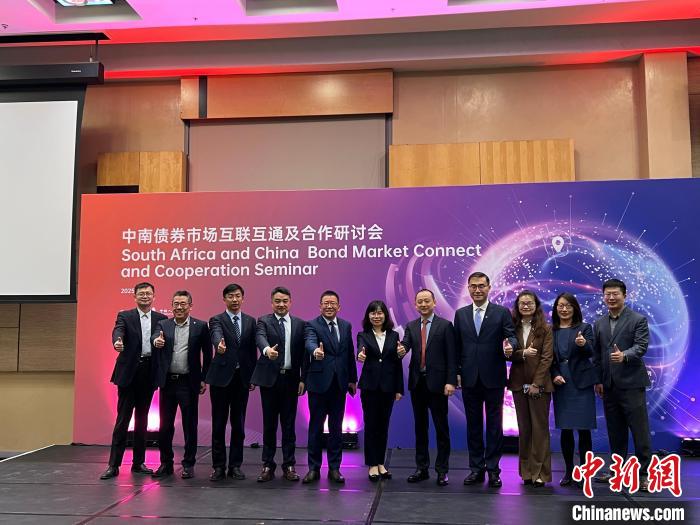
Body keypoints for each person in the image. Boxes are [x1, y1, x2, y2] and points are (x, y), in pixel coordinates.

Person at [454, 271, 517, 488]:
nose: (477, 290)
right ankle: (476, 469)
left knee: (494, 425)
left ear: (489, 288)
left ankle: (493, 470)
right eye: (473, 286)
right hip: (469, 378)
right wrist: (457, 373)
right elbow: (457, 346)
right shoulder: (461, 314)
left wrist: (510, 346)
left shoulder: (501, 312)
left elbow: (512, 336)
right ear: (468, 289)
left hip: (494, 377)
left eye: (481, 286)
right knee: (473, 426)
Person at [100, 282, 167, 480]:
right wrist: (117, 341)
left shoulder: (161, 319)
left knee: (142, 419)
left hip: (148, 373)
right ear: (135, 296)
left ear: (154, 296)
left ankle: (138, 463)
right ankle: (113, 465)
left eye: (148, 293)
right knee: (123, 420)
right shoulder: (125, 316)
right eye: (141, 293)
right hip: (128, 373)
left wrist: (159, 342)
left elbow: (159, 337)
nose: (145, 296)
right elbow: (118, 331)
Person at [592, 278, 651, 491]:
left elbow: (641, 346)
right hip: (609, 386)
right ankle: (617, 471)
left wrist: (624, 355)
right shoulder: (599, 323)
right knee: (615, 431)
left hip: (632, 384)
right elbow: (597, 355)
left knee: (640, 432)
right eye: (607, 294)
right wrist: (598, 380)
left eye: (615, 294)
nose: (611, 297)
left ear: (625, 295)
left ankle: (644, 474)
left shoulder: (638, 319)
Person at [151, 291, 212, 479]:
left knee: (189, 425)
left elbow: (207, 354)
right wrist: (156, 341)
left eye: (183, 304)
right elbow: (155, 337)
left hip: (189, 382)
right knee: (165, 425)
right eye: (176, 303)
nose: (179, 307)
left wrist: (204, 378)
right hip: (168, 382)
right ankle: (166, 463)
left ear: (190, 306)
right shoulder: (164, 324)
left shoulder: (200, 326)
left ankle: (188, 464)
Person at [400, 289, 457, 487]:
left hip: (439, 385)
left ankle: (442, 470)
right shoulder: (411, 326)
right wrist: (400, 349)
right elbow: (405, 345)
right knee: (420, 428)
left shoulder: (445, 326)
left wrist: (451, 381)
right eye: (420, 302)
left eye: (427, 301)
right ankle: (421, 468)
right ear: (415, 305)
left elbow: (452, 356)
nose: (423, 305)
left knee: (441, 429)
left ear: (434, 303)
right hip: (418, 384)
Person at [251, 286, 307, 482]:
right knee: (269, 424)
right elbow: (260, 338)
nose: (281, 304)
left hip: (291, 380)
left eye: (284, 301)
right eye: (277, 301)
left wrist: (303, 378)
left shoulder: (300, 324)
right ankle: (268, 465)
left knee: (289, 425)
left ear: (290, 302)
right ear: (271, 303)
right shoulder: (264, 321)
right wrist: (267, 350)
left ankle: (289, 465)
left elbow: (304, 355)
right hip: (270, 381)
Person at [302, 290, 358, 484]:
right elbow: (309, 342)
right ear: (320, 306)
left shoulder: (345, 325)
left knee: (336, 428)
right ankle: (313, 468)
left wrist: (352, 379)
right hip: (318, 384)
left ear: (339, 306)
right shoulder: (311, 325)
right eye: (325, 303)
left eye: (333, 303)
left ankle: (334, 468)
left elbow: (349, 353)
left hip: (339, 384)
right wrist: (315, 351)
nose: (329, 306)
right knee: (316, 428)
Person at [205, 283, 257, 482]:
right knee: (218, 424)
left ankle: (235, 465)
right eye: (230, 296)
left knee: (239, 424)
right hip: (220, 379)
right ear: (224, 299)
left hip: (241, 379)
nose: (234, 300)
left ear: (242, 298)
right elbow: (216, 334)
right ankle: (218, 466)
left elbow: (251, 352)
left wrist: (252, 376)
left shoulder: (251, 321)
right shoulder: (216, 320)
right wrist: (218, 344)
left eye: (237, 296)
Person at [507, 290, 554, 487]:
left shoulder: (546, 328)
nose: (526, 306)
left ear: (536, 306)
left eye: (530, 303)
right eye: (522, 303)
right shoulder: (512, 328)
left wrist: (537, 383)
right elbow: (508, 354)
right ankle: (526, 472)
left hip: (539, 386)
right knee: (524, 429)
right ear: (517, 306)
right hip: (518, 384)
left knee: (540, 430)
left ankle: (540, 473)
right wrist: (522, 353)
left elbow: (547, 358)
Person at [550, 292, 597, 487]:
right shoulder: (551, 330)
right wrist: (554, 374)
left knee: (584, 430)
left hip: (582, 383)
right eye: (561, 305)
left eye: (568, 305)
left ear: (575, 308)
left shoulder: (585, 328)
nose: (564, 309)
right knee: (566, 429)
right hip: (562, 383)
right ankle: (569, 471)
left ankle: (585, 472)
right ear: (556, 308)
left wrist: (584, 344)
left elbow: (592, 352)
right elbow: (548, 358)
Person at [356, 300, 404, 482]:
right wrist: (360, 355)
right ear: (368, 316)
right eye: (373, 313)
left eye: (379, 313)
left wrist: (398, 389)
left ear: (385, 315)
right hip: (370, 387)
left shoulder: (394, 335)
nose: (376, 316)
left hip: (388, 388)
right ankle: (372, 464)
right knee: (371, 425)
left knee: (383, 426)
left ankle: (381, 462)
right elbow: (361, 350)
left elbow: (397, 364)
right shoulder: (363, 335)